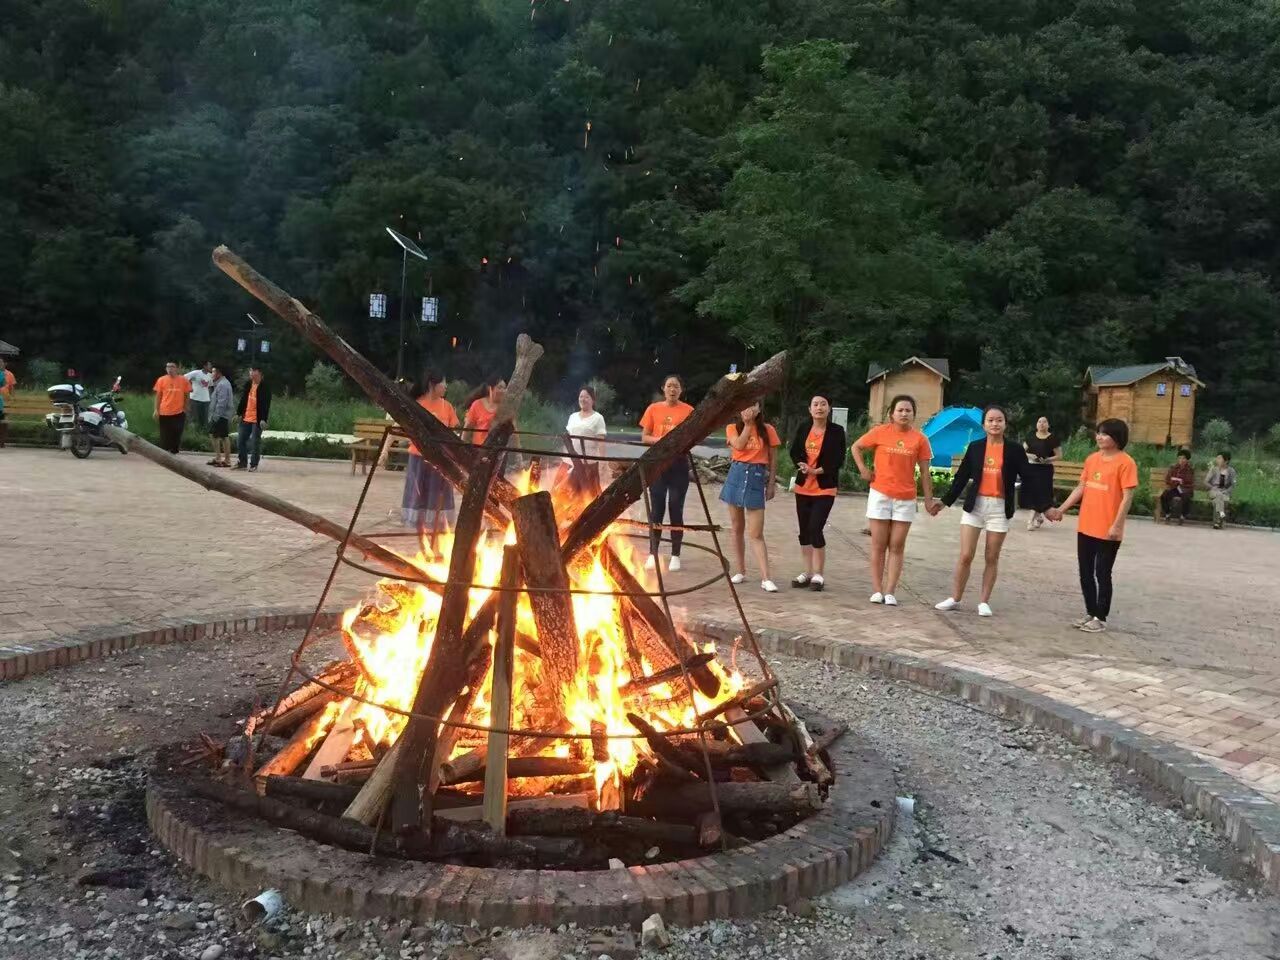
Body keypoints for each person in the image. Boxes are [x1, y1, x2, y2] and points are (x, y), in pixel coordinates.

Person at [934, 406, 1032, 617]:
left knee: (991, 556)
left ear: (1005, 423)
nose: (995, 424)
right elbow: (961, 477)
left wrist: (1045, 505)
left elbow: (1029, 477)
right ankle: (955, 597)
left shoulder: (1014, 450)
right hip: (975, 506)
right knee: (966, 555)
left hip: (999, 508)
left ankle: (984, 601)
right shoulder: (976, 447)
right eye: (990, 420)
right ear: (984, 424)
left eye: (999, 420)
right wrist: (944, 502)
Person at [1045, 418, 1137, 633]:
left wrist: (1116, 525)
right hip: (1086, 525)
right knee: (1085, 571)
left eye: (1104, 434)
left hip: (1108, 530)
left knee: (1102, 573)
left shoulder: (1126, 462)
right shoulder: (1092, 459)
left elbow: (1127, 497)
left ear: (1117, 437)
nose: (1099, 437)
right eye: (1098, 433)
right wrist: (1061, 510)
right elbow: (1081, 487)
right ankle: (1090, 611)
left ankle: (1101, 617)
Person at [851, 395, 939, 606]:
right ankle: (877, 589)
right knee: (878, 544)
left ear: (914, 414)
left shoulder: (920, 439)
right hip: (880, 494)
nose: (904, 414)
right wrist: (863, 469)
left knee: (897, 545)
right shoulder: (880, 432)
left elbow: (925, 473)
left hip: (906, 498)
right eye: (900, 410)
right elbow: (856, 447)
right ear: (892, 413)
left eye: (908, 410)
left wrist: (928, 500)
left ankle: (890, 591)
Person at [720, 400, 781, 592]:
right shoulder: (732, 427)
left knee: (756, 532)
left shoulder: (768, 429)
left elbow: (773, 459)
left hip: (756, 476)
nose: (749, 408)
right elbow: (738, 445)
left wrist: (771, 484)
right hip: (736, 474)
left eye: (753, 405)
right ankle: (740, 570)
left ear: (759, 408)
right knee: (737, 527)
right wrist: (747, 425)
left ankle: (766, 577)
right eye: (745, 404)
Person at [789, 395, 846, 591]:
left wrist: (817, 471)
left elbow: (838, 459)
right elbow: (794, 450)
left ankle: (819, 574)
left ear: (829, 408)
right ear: (810, 409)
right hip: (803, 486)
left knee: (815, 528)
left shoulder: (837, 431)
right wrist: (802, 465)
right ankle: (807, 572)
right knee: (804, 530)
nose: (819, 408)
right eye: (815, 404)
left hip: (825, 487)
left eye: (823, 404)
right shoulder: (804, 427)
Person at [640, 374, 695, 571]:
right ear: (663, 388)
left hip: (679, 465)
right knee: (656, 509)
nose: (672, 390)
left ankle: (675, 554)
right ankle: (653, 553)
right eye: (669, 386)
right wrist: (662, 441)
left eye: (676, 386)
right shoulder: (653, 409)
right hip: (657, 464)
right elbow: (645, 436)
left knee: (675, 506)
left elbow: (693, 437)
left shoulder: (689, 411)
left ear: (681, 390)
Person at [403, 373, 460, 530]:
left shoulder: (447, 406)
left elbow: (453, 430)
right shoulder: (417, 404)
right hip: (418, 455)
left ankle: (437, 521)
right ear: (431, 385)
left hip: (441, 457)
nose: (446, 386)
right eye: (443, 383)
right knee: (418, 488)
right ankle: (416, 520)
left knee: (438, 489)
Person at [561, 386, 608, 494]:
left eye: (586, 397)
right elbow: (568, 439)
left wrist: (603, 463)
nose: (583, 399)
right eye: (581, 396)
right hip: (569, 462)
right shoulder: (573, 417)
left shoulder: (598, 418)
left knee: (588, 496)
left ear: (593, 400)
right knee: (564, 495)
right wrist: (564, 457)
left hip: (588, 465)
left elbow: (601, 442)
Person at [1021, 416, 1061, 529]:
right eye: (1039, 421)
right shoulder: (1030, 437)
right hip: (1032, 468)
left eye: (1044, 422)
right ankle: (1038, 517)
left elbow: (1059, 455)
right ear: (1036, 424)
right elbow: (1022, 452)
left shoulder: (1053, 438)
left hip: (1045, 470)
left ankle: (1030, 521)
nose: (1042, 424)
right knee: (1034, 493)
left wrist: (1048, 459)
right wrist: (1031, 456)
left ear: (1048, 424)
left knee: (1041, 494)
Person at [233, 366, 271, 471]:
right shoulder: (248, 384)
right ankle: (242, 462)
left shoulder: (265, 387)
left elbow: (266, 405)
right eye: (250, 371)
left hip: (257, 419)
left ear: (260, 374)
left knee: (255, 442)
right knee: (240, 440)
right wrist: (238, 413)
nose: (251, 373)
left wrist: (263, 419)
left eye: (253, 371)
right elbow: (243, 399)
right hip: (246, 417)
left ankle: (254, 464)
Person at [153, 360, 192, 454]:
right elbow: (158, 396)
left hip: (179, 411)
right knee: (165, 433)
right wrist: (156, 410)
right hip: (164, 411)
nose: (170, 369)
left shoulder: (183, 380)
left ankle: (174, 450)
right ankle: (164, 451)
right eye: (168, 367)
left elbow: (187, 395)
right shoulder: (161, 380)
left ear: (177, 368)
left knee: (177, 431)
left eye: (172, 366)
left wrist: (186, 407)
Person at [463, 376, 507, 445]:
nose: (503, 391)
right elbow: (467, 428)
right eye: (499, 387)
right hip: (478, 450)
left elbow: (513, 433)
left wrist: (518, 454)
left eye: (504, 388)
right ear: (490, 388)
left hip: (496, 451)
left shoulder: (505, 408)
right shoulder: (477, 405)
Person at [206, 365, 234, 467]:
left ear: (219, 373)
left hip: (221, 415)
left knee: (223, 437)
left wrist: (216, 416)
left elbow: (222, 402)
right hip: (219, 414)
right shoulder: (219, 383)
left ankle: (227, 460)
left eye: (213, 372)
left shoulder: (223, 384)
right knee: (215, 435)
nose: (211, 374)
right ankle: (218, 458)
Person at [1160, 449, 1196, 525]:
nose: (1181, 460)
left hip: (1185, 489)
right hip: (1174, 488)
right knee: (1164, 495)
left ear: (1187, 460)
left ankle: (1182, 516)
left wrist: (1182, 482)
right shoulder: (1173, 467)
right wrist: (1174, 481)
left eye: (1183, 458)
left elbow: (1190, 482)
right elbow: (1167, 479)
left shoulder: (1190, 469)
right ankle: (1167, 514)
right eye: (1179, 458)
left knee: (1186, 498)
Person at [1205, 451, 1237, 530]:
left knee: (1218, 501)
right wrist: (1213, 488)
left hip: (1224, 493)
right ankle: (1221, 518)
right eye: (1217, 458)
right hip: (1214, 491)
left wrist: (1226, 491)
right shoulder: (1214, 470)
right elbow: (1206, 482)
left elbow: (1233, 485)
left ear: (1226, 461)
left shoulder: (1231, 471)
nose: (1217, 460)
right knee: (1219, 497)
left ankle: (1217, 522)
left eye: (1219, 458)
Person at [185, 361, 213, 429]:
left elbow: (210, 387)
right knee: (194, 418)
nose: (211, 367)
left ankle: (203, 433)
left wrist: (209, 397)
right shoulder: (196, 373)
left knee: (204, 419)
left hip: (206, 400)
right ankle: (194, 434)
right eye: (209, 365)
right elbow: (184, 378)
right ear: (204, 366)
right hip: (195, 399)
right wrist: (189, 387)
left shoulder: (210, 375)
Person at [0, 357, 14, 448]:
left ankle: (1, 442)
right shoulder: (2, 375)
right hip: (1, 403)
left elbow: (11, 389)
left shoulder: (8, 374)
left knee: (4, 422)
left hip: (5, 402)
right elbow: (3, 383)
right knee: (3, 421)